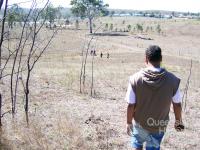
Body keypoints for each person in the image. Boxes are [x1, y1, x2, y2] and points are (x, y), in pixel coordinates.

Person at [125, 45, 184, 150]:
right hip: (159, 126)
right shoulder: (172, 80)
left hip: (140, 124)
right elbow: (177, 104)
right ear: (161, 59)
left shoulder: (135, 79)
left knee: (137, 146)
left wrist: (129, 122)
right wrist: (178, 121)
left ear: (146, 59)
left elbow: (131, 105)